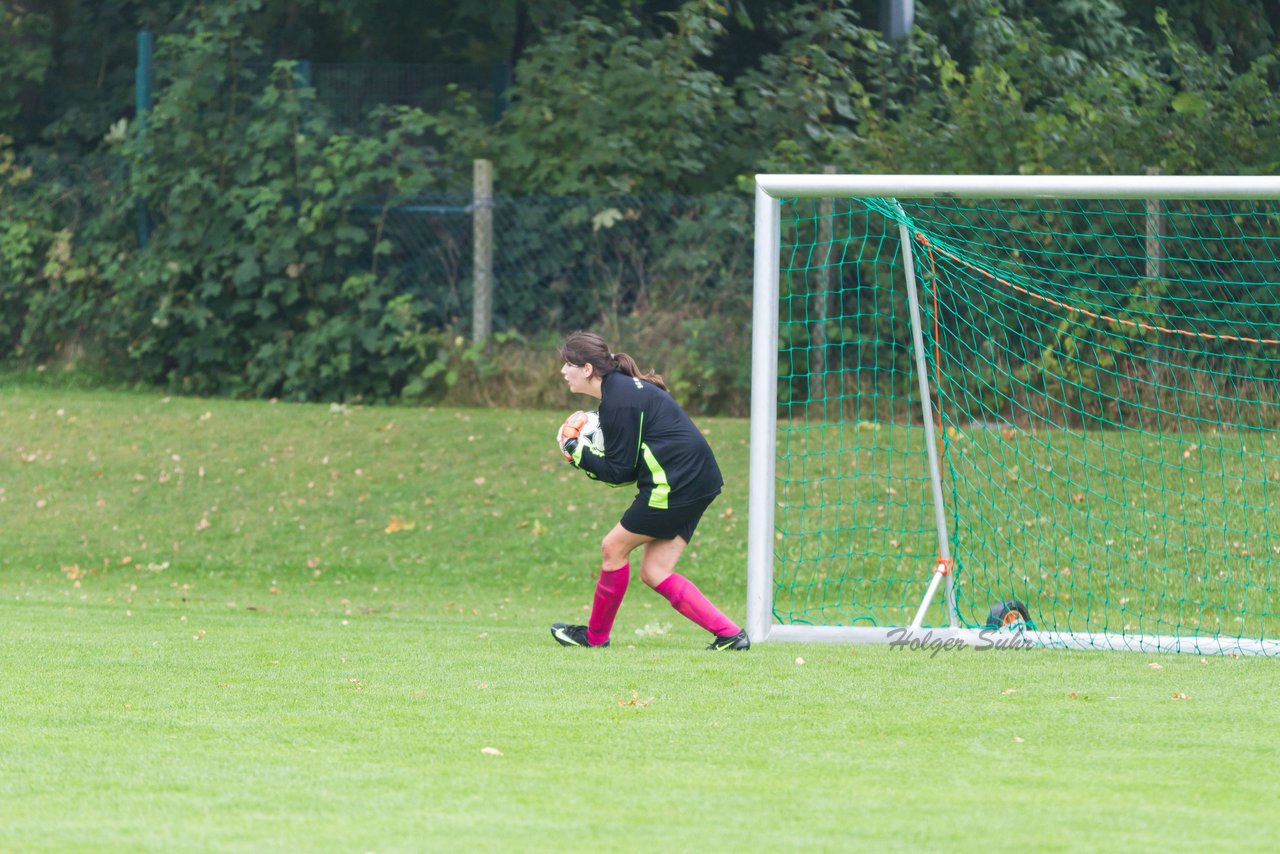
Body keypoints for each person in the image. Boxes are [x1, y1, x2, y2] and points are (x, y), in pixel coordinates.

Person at [550, 330, 749, 651]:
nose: (563, 371)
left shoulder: (620, 401)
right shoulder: (620, 393)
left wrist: (578, 452)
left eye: (568, 364)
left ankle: (595, 638)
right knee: (655, 571)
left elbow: (619, 472)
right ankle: (730, 634)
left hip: (677, 483)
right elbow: (627, 464)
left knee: (613, 548)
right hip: (699, 480)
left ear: (587, 369)